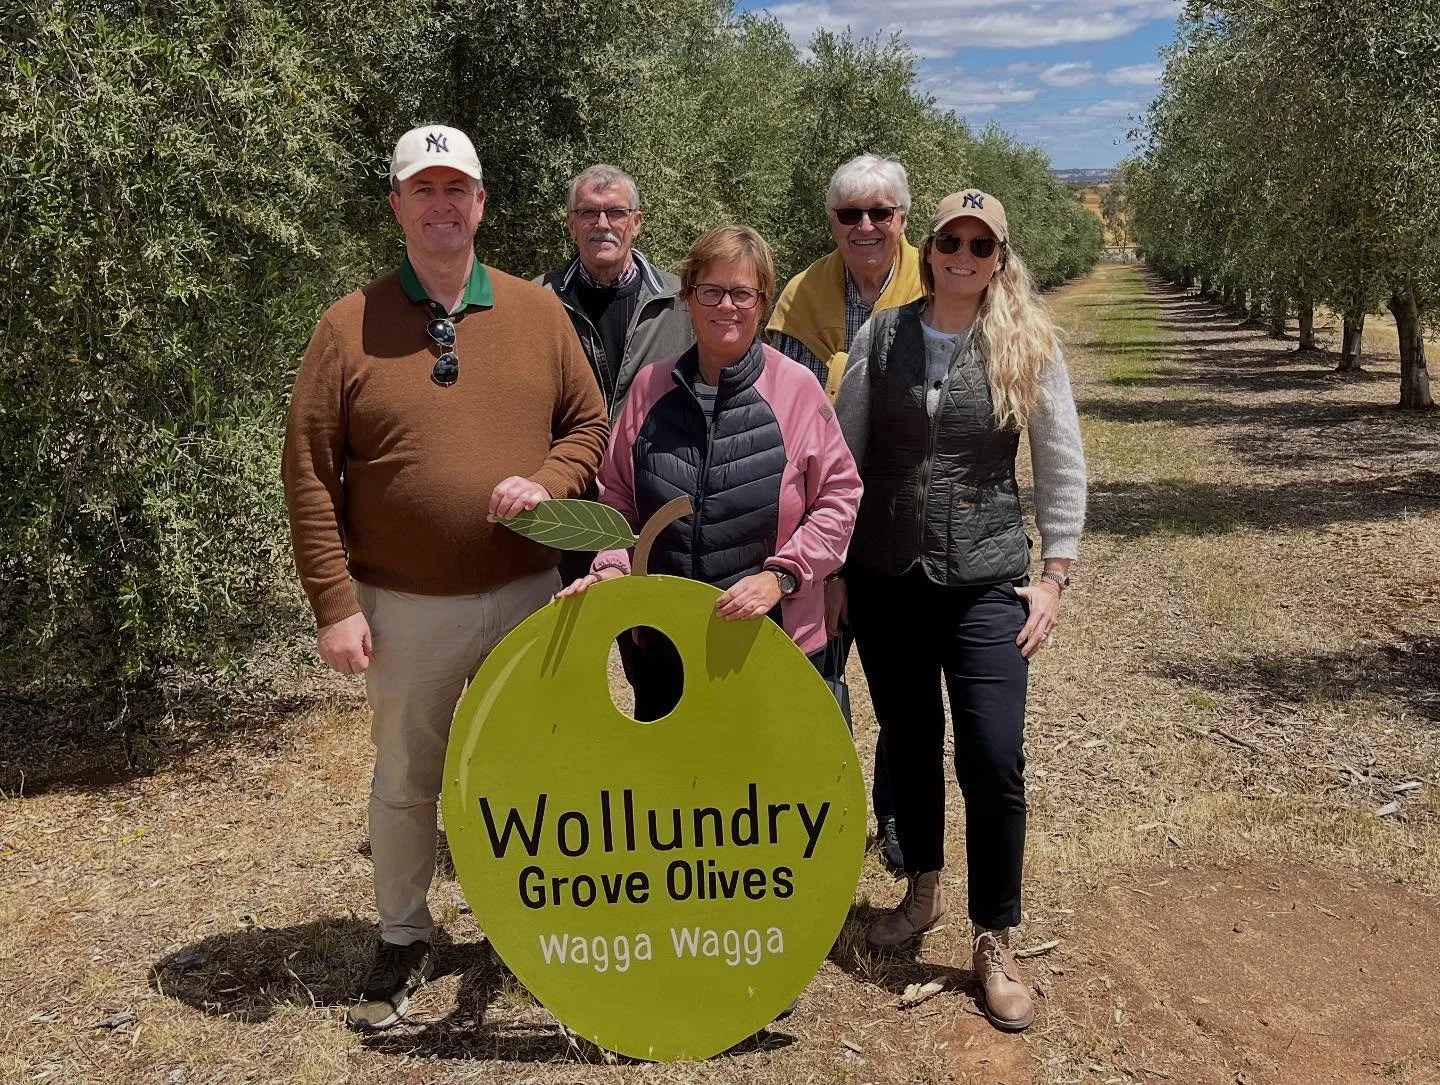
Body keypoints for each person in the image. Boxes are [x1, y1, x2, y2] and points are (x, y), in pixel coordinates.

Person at [282, 124, 609, 1031]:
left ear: (481, 204)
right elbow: (310, 470)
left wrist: (546, 484)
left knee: (534, 770)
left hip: (525, 596)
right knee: (407, 778)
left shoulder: (537, 313)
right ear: (396, 206)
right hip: (403, 606)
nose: (440, 206)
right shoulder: (347, 325)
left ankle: (531, 924)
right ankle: (403, 933)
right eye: (421, 191)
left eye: (454, 190)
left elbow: (590, 425)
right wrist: (334, 603)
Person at [833, 189, 1086, 1033]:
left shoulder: (1029, 344)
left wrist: (1054, 575)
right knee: (908, 741)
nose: (963, 254)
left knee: (991, 754)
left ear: (999, 256)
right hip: (886, 576)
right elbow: (845, 453)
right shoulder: (885, 334)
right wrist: (834, 566)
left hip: (985, 579)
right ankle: (922, 893)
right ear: (931, 246)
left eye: (981, 243)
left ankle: (996, 935)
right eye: (951, 239)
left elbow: (1061, 468)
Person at [557, 225, 861, 719]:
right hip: (663, 640)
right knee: (671, 790)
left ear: (762, 302)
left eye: (742, 293)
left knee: (764, 793)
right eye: (711, 291)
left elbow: (840, 497)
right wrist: (611, 564)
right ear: (688, 297)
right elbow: (617, 498)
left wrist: (783, 577)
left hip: (770, 638)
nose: (726, 306)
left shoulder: (798, 390)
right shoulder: (649, 388)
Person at [767, 153, 925, 872]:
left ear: (902, 218)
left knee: (902, 682)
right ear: (831, 221)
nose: (864, 226)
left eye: (879, 212)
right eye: (848, 214)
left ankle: (894, 814)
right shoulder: (801, 297)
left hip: (905, 525)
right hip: (819, 526)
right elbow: (781, 422)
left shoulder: (944, 279)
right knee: (815, 678)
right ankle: (826, 810)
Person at [536, 164, 694, 584]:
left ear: (636, 223)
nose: (602, 224)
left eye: (616, 213)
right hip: (566, 503)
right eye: (589, 213)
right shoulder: (536, 302)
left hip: (654, 502)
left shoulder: (682, 302)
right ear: (571, 225)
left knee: (651, 640)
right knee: (566, 638)